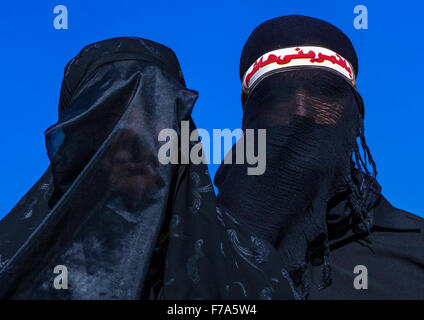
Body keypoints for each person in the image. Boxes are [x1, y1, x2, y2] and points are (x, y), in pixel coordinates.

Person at [0, 37, 295, 299]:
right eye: (115, 116)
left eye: (156, 110)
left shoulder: (250, 270)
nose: (138, 135)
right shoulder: (13, 265)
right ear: (78, 138)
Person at [215, 15, 424, 299]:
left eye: (323, 93)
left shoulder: (415, 252)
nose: (302, 111)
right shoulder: (204, 251)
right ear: (250, 115)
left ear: (355, 114)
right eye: (280, 97)